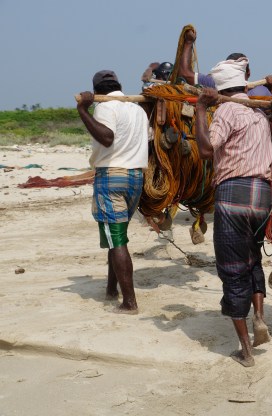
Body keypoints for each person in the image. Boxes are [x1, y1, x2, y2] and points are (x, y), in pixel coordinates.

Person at [194, 57, 272, 367]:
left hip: (233, 197)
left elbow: (205, 150)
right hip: (262, 198)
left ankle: (245, 350)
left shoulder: (226, 111)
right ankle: (259, 318)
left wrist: (202, 110)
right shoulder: (260, 113)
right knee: (253, 258)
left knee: (233, 270)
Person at [76, 70, 149, 314]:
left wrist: (83, 111)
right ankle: (111, 289)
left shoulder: (105, 107)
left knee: (116, 239)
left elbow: (107, 137)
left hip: (112, 176)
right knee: (116, 236)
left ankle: (129, 302)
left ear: (97, 91)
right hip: (135, 177)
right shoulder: (137, 109)